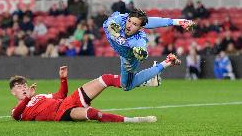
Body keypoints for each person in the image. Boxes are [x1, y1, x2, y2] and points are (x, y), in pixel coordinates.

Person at [10, 66, 165, 122]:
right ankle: (133, 120)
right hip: (61, 113)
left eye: (23, 84)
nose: (23, 87)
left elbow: (61, 95)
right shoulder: (18, 110)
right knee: (92, 114)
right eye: (18, 86)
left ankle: (144, 81)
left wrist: (63, 79)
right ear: (13, 92)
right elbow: (16, 115)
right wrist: (28, 98)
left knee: (106, 79)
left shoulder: (39, 96)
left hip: (67, 102)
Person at [103, 8, 194, 91]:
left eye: (134, 24)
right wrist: (179, 22)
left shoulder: (139, 39)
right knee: (126, 84)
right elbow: (109, 24)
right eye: (129, 21)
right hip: (121, 50)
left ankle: (167, 63)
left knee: (126, 86)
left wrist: (141, 54)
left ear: (141, 28)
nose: (129, 26)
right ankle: (149, 80)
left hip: (128, 58)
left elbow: (143, 54)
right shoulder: (122, 18)